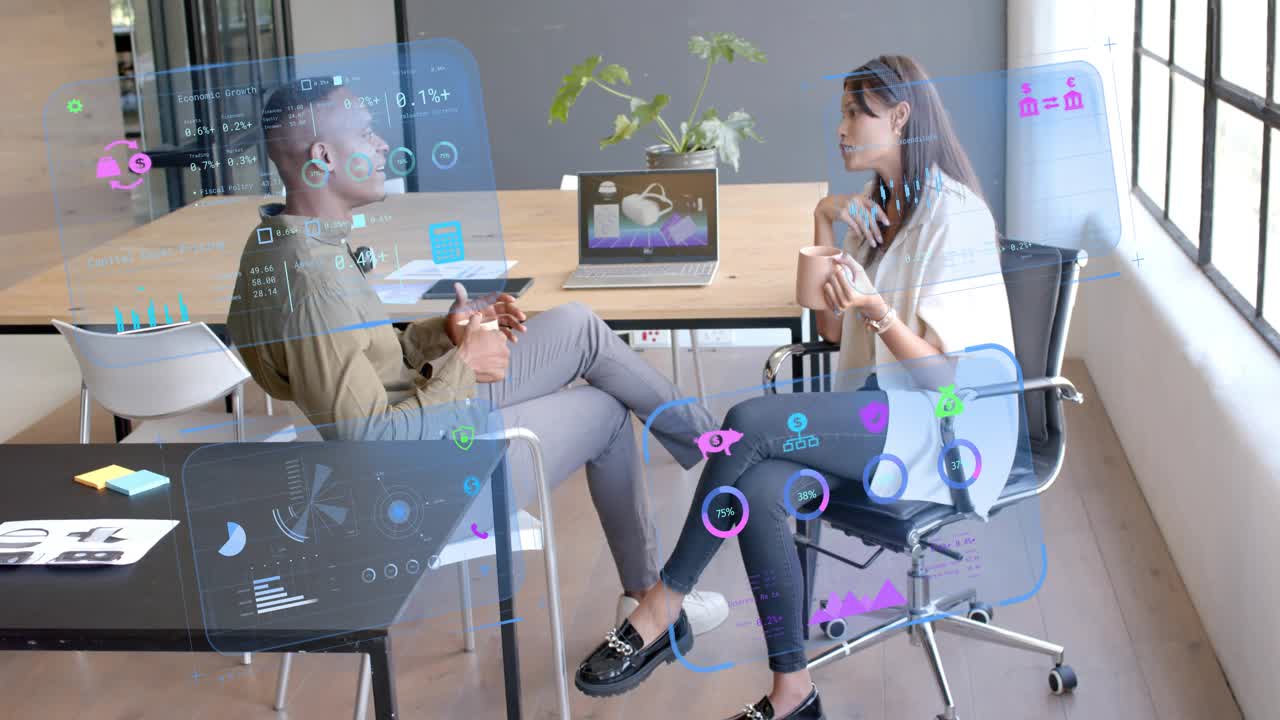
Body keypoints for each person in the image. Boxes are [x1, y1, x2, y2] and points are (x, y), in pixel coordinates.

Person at [574, 55, 1016, 720]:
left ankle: (663, 604)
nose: (841, 127)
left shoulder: (957, 219)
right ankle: (793, 695)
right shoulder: (883, 207)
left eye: (856, 112)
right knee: (755, 490)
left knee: (750, 420)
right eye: (842, 112)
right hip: (878, 415)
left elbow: (951, 378)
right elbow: (833, 329)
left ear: (901, 117)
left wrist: (878, 311)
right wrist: (823, 219)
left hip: (948, 430)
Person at [226, 79, 729, 635]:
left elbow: (362, 361)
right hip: (420, 480)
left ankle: (718, 448)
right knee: (605, 413)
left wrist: (444, 334)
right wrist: (464, 365)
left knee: (577, 324)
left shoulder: (285, 242)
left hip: (426, 413)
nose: (382, 144)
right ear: (322, 156)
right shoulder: (312, 279)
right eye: (366, 133)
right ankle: (653, 602)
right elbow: (367, 442)